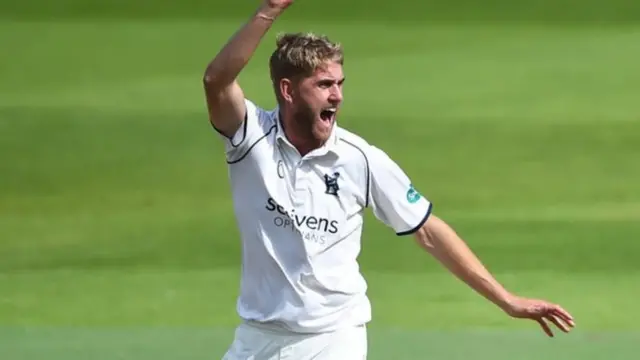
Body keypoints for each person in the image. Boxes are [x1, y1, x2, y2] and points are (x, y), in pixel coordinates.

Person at [203, 1, 576, 359]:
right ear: (287, 90)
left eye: (340, 83)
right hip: (257, 336)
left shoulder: (360, 159)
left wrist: (506, 299)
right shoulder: (252, 136)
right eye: (324, 85)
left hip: (332, 339)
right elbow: (216, 80)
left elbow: (428, 231)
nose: (338, 95)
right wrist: (268, 11)